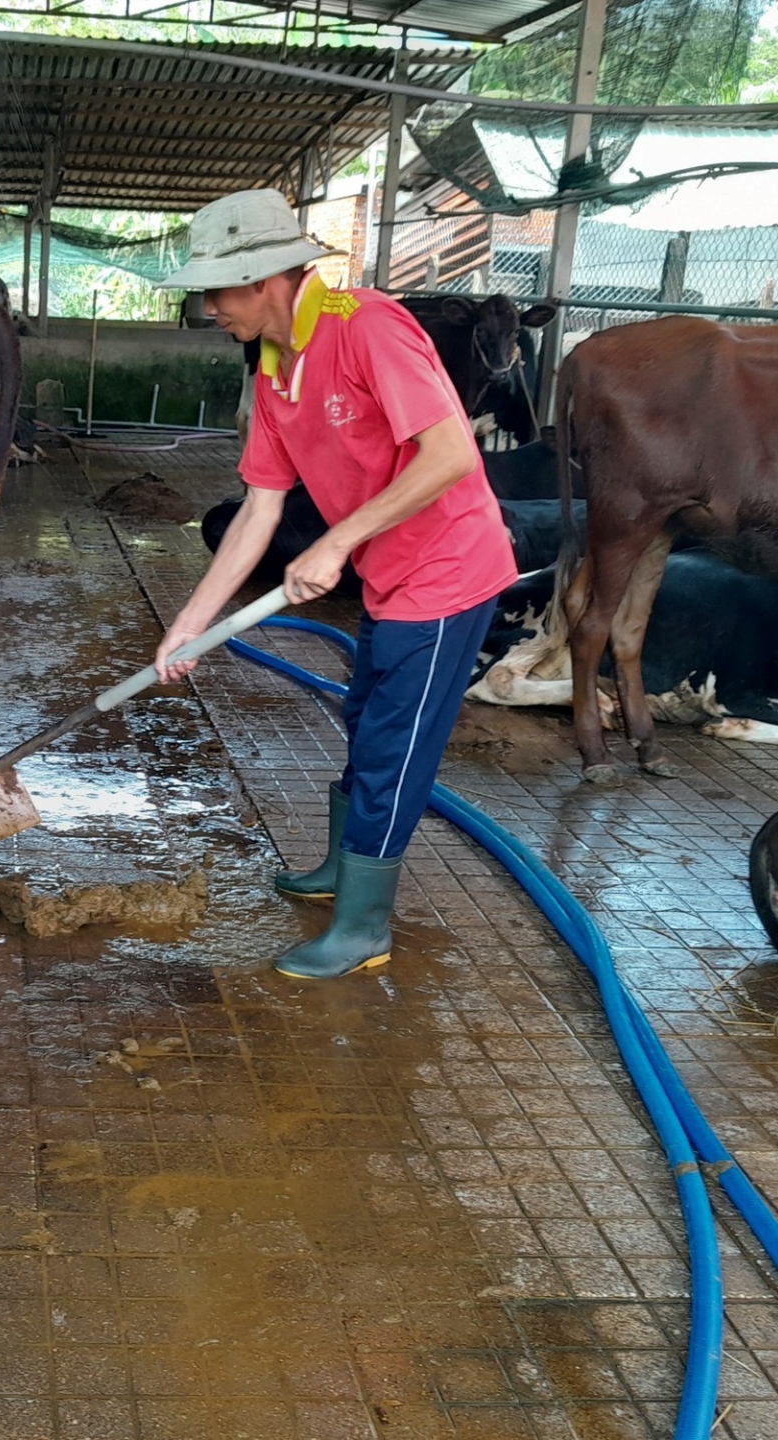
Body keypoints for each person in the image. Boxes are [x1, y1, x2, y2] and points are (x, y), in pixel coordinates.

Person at [153, 189, 517, 980]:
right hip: (388, 573)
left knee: (395, 745)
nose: (209, 308)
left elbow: (452, 454)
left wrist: (338, 542)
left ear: (265, 279)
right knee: (364, 717)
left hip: (448, 570)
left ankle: (363, 927)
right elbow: (259, 508)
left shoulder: (367, 326)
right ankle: (339, 869)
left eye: (217, 291)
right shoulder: (273, 372)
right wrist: (190, 623)